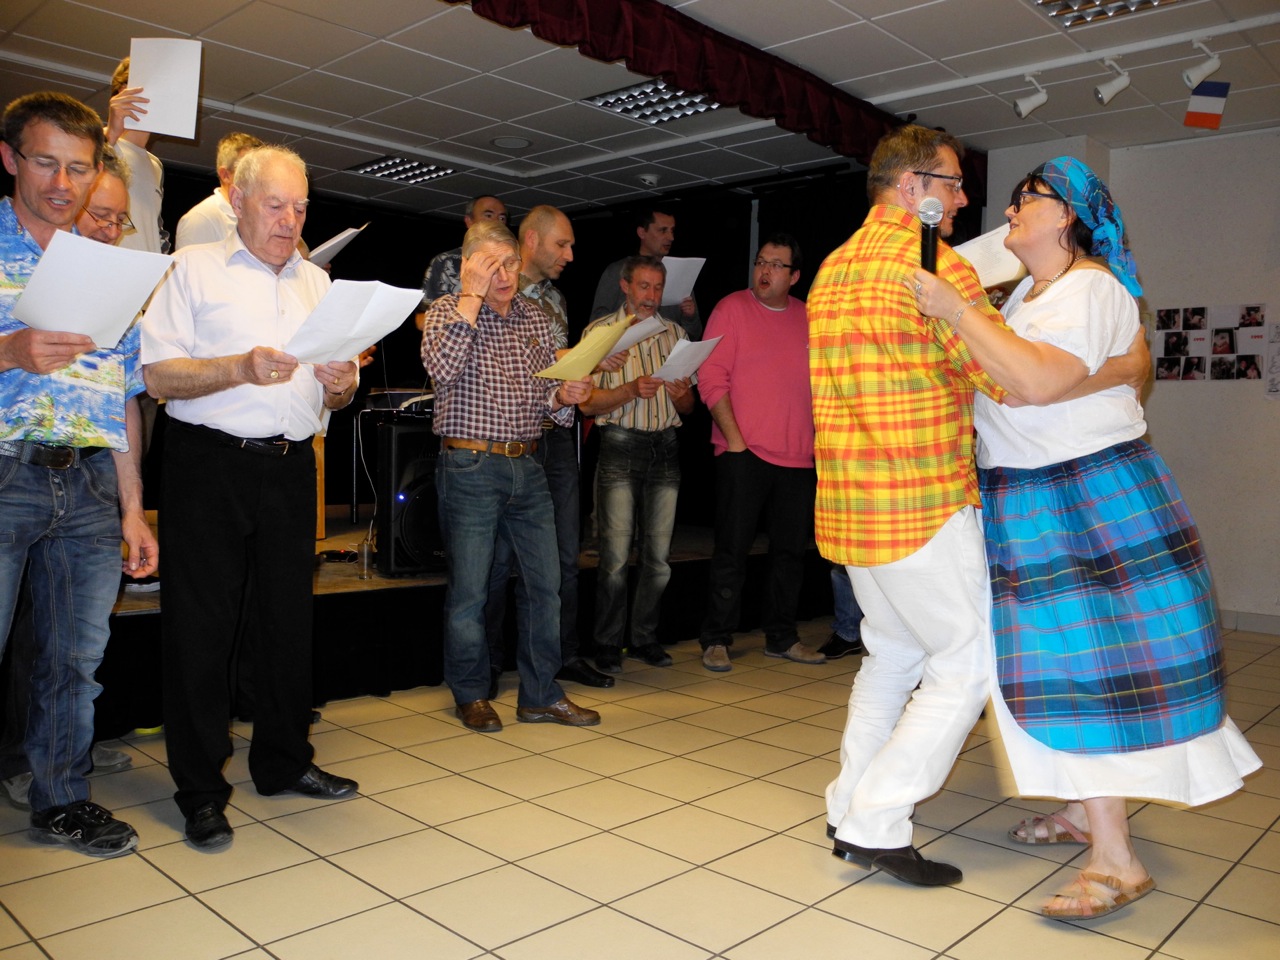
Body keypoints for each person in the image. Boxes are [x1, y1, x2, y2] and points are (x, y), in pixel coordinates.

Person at [911, 156, 1260, 919]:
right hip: (1031, 495)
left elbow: (1037, 384)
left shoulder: (1092, 286)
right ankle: (1083, 815)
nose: (1008, 211)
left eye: (1025, 200)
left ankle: (1117, 859)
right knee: (1060, 670)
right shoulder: (1025, 296)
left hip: (1085, 493)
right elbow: (1074, 374)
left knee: (1089, 670)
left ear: (1065, 212)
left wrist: (955, 311)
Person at [143, 145, 360, 851]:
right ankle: (201, 790)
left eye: (300, 207)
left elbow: (343, 386)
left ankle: (283, 762)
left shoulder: (317, 282)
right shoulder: (191, 269)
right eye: (277, 205)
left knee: (286, 625)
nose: (290, 219)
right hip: (209, 466)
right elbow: (159, 377)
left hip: (292, 468)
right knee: (201, 634)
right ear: (237, 201)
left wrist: (342, 385)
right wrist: (238, 367)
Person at [0, 91, 158, 857]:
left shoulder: (107, 272)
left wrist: (133, 508)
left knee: (74, 661)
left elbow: (122, 396)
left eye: (78, 167)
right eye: (46, 162)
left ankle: (61, 800)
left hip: (92, 485)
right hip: (6, 473)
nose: (62, 183)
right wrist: (7, 351)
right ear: (11, 160)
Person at [421, 218, 600, 733]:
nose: (503, 274)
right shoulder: (445, 312)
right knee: (472, 591)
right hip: (470, 465)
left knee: (548, 586)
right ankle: (472, 693)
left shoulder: (535, 318)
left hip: (529, 462)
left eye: (510, 263)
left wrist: (564, 397)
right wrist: (471, 299)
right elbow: (442, 370)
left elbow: (542, 396)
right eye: (490, 265)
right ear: (470, 266)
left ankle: (541, 694)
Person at [483, 205, 615, 691]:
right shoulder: (496, 291)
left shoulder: (556, 299)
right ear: (531, 242)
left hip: (556, 435)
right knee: (497, 561)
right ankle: (490, 664)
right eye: (562, 244)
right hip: (509, 437)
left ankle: (561, 656)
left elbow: (556, 368)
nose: (570, 254)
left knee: (563, 555)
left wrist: (591, 359)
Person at [697, 233, 823, 672]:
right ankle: (716, 638)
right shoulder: (731, 309)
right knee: (731, 551)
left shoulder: (809, 318)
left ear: (795, 277)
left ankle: (782, 636)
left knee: (790, 554)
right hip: (743, 452)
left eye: (776, 264)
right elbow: (710, 377)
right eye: (760, 261)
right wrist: (735, 442)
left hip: (798, 458)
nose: (764, 270)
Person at [580, 256, 694, 672]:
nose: (650, 297)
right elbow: (586, 404)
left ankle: (645, 637)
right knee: (612, 559)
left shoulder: (677, 335)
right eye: (643, 287)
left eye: (657, 288)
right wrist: (629, 390)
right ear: (626, 287)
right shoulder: (599, 335)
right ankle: (608, 643)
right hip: (619, 446)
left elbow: (689, 406)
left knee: (659, 560)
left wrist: (681, 395)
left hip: (666, 447)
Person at [589, 206, 702, 339]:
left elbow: (693, 335)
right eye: (663, 230)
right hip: (627, 354)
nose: (670, 237)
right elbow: (597, 322)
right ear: (642, 232)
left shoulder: (681, 272)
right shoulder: (618, 270)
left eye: (672, 230)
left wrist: (690, 317)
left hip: (667, 354)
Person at [103, 57, 169, 253]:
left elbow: (154, 229)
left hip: (144, 276)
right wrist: (111, 134)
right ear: (125, 91)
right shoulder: (97, 142)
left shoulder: (155, 165)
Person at [173, 131, 264, 248]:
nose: (258, 179)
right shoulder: (201, 218)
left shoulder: (263, 216)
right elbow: (191, 266)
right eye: (248, 172)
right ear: (225, 175)